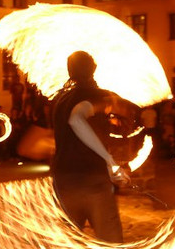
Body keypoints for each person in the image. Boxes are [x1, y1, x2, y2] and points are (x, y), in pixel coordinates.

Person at [51, 51, 128, 243]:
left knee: (68, 243)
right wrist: (108, 160)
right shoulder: (98, 96)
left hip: (64, 182)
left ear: (70, 71)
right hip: (93, 182)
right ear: (94, 68)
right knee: (111, 243)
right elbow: (76, 119)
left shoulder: (59, 100)